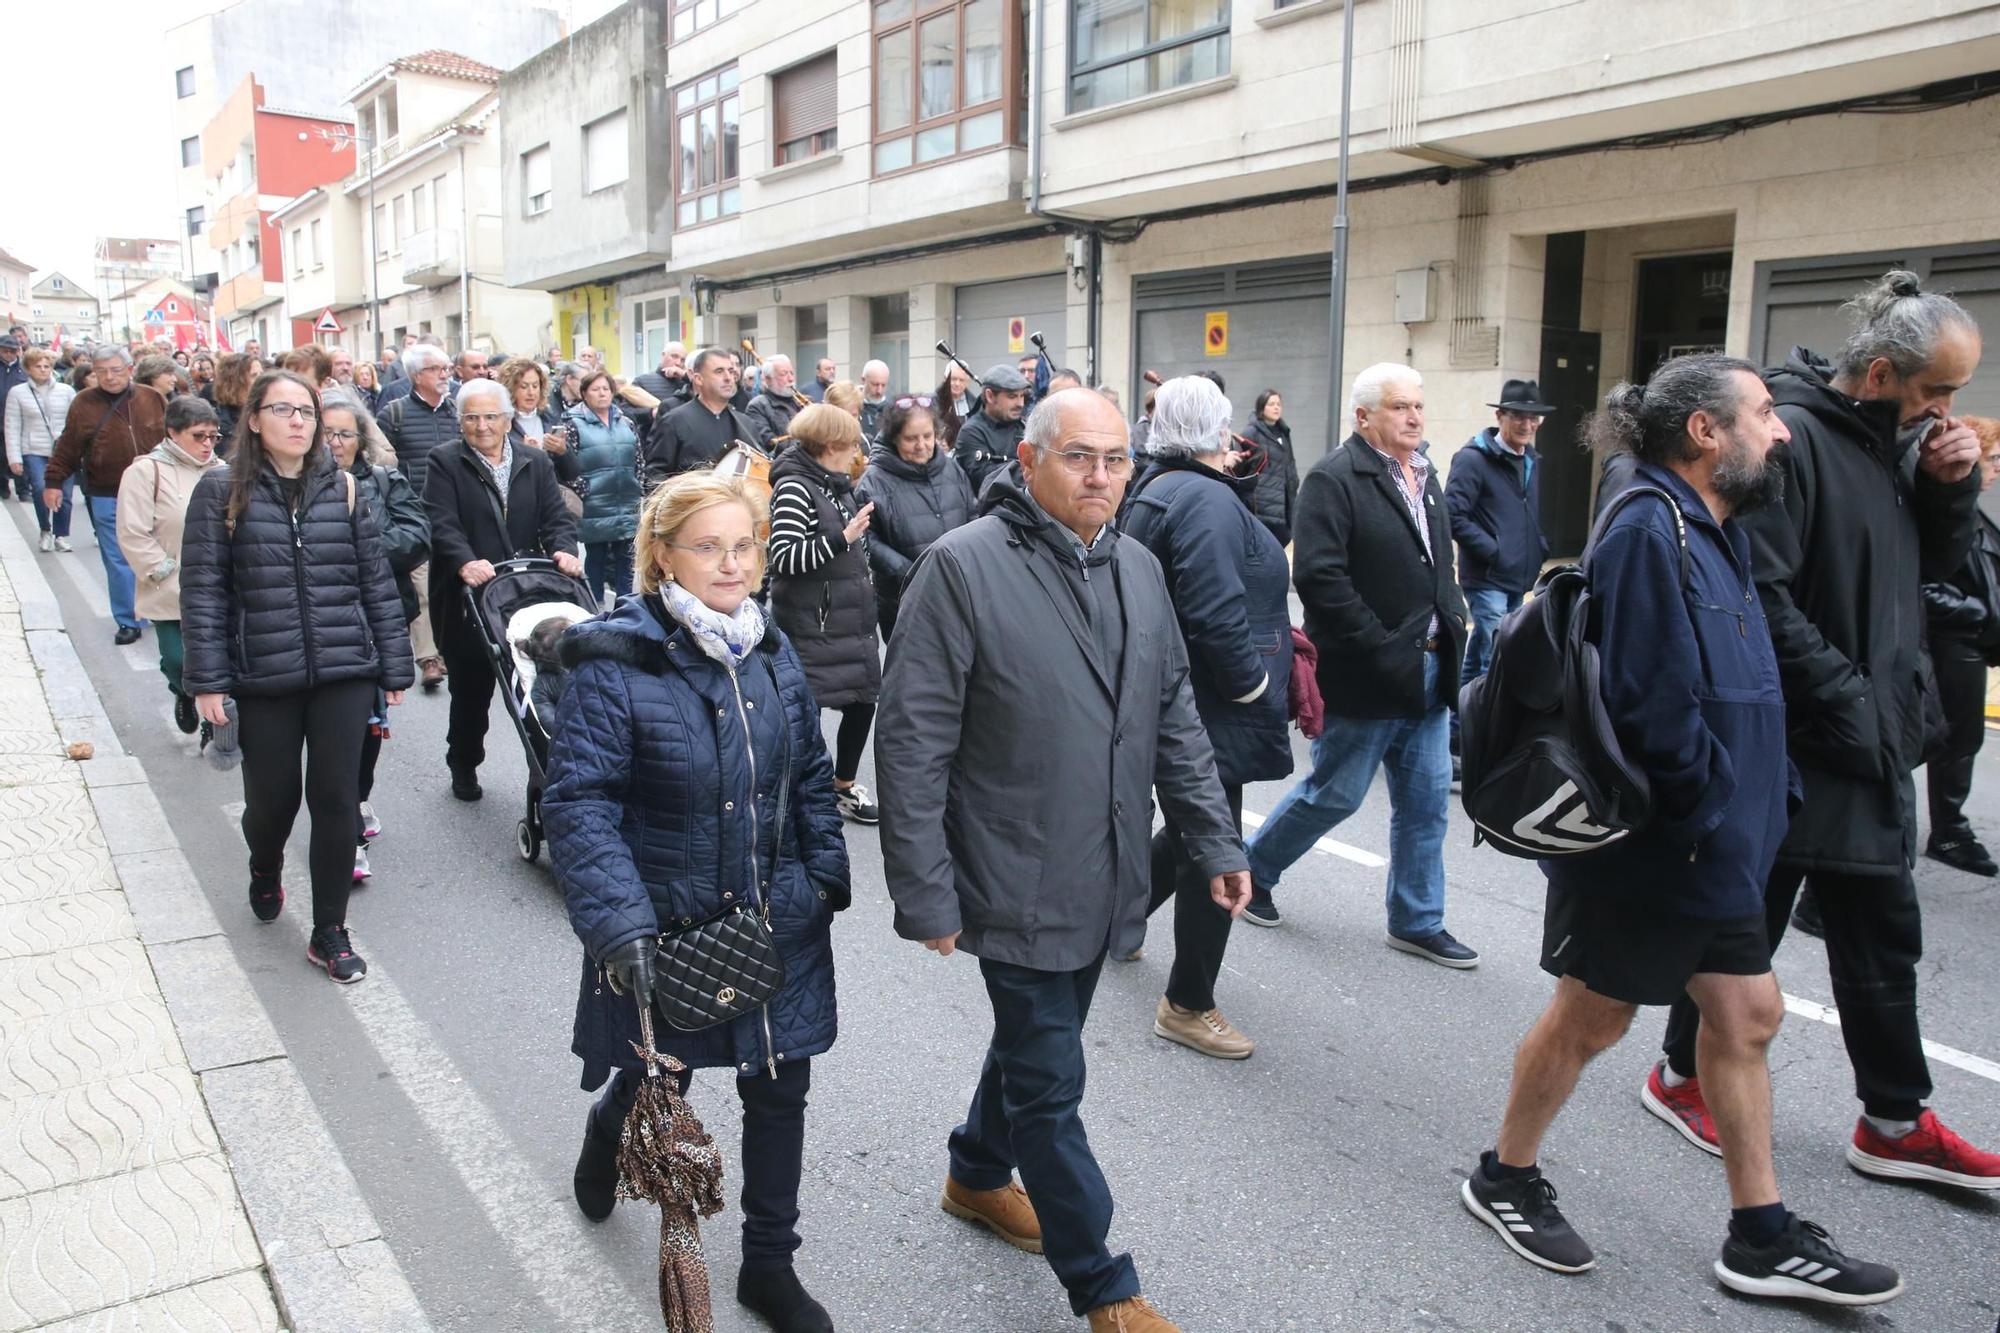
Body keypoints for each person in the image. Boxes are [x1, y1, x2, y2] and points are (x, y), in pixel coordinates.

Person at [1464, 355, 1905, 1305]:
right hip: (1663, 846)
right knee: (1595, 1017)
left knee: (1747, 1015)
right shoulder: (1645, 525)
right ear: (1706, 432)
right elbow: (1649, 700)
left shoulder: (1721, 527)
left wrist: (1768, 787)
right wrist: (1707, 803)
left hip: (1725, 842)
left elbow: (1747, 675)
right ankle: (1504, 1174)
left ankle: (1760, 1232)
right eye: (1762, 414)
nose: (1781, 430)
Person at [877, 388, 1248, 1333]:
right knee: (1052, 1085)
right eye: (1080, 457)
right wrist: (925, 890)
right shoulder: (960, 567)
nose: (1102, 476)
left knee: (1034, 1045)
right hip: (1012, 872)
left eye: (1117, 458)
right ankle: (1105, 1285)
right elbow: (912, 741)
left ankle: (972, 1172)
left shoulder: (1136, 565)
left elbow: (1172, 714)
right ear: (1030, 459)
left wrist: (1210, 837)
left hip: (1109, 866)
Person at [1651, 272, 2000, 1189]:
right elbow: (1757, 595)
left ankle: (1894, 1117)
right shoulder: (1794, 438)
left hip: (1871, 738)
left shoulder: (1897, 446)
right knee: (1744, 930)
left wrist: (1950, 485)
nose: (1949, 410)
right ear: (1882, 373)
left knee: (1884, 932)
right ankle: (1681, 1074)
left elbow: (1934, 566)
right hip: (1803, 743)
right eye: (1936, 393)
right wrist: (1849, 705)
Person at [545, 471, 850, 1333]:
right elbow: (579, 803)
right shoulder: (617, 659)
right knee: (659, 1075)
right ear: (661, 555)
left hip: (775, 916)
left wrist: (823, 875)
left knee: (779, 1084)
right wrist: (617, 922)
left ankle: (768, 1265)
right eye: (707, 546)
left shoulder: (774, 650)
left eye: (743, 544)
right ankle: (609, 1132)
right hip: (665, 924)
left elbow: (812, 776)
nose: (730, 562)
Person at [1240, 363, 1479, 969]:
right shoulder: (1333, 477)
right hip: (1368, 674)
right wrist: (1381, 644)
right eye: (1400, 407)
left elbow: (1438, 564)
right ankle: (1253, 871)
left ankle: (1418, 920)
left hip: (1430, 672)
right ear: (1364, 416)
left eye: (1418, 406)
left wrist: (1453, 617)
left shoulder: (1426, 474)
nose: (1415, 417)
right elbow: (1318, 577)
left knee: (1427, 802)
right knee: (1336, 794)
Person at [179, 370, 414, 983]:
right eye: (282, 409)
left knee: (337, 799)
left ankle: (329, 930)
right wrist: (206, 680)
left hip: (342, 669)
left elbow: (374, 580)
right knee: (272, 803)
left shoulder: (342, 488)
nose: (298, 421)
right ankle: (264, 865)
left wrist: (394, 662)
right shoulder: (219, 491)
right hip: (264, 674)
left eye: (306, 411)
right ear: (253, 419)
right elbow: (203, 592)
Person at [1117, 376, 1293, 1060]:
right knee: (1215, 847)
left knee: (1193, 830)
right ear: (1216, 433)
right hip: (1210, 705)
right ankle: (1189, 1002)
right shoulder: (1203, 499)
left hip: (1176, 694)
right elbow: (1216, 611)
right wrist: (1252, 687)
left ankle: (1121, 919)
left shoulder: (1160, 488)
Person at [422, 378, 581, 802]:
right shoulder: (444, 462)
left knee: (534, 684)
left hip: (525, 592)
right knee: (472, 692)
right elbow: (441, 522)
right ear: (460, 423)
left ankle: (545, 771)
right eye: (471, 417)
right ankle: (464, 761)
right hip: (469, 596)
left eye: (491, 416)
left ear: (508, 418)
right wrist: (463, 560)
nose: (482, 426)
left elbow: (556, 517)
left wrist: (565, 550)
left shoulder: (534, 460)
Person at [323, 387, 429, 882]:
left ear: (360, 440)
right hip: (322, 626)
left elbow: (416, 539)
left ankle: (357, 798)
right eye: (326, 433)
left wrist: (357, 550)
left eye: (344, 433)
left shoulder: (386, 481)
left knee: (369, 728)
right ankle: (344, 831)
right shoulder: (292, 487)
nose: (334, 442)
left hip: (377, 619)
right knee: (335, 735)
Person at [766, 404, 881, 824]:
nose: (856, 452)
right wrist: (842, 536)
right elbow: (784, 557)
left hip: (850, 621)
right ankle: (802, 792)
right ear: (831, 445)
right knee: (806, 711)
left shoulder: (836, 483)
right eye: (851, 443)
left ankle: (843, 787)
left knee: (863, 701)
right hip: (812, 622)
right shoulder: (795, 486)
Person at [1445, 379, 1555, 770]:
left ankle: (1455, 736)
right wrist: (1493, 550)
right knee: (1496, 659)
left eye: (1533, 418)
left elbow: (1525, 514)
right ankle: (1484, 746)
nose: (1527, 425)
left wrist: (1537, 546)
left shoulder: (1529, 460)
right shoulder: (1473, 459)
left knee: (1478, 661)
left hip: (1516, 576)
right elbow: (1452, 514)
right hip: (1487, 577)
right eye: (1519, 417)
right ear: (1500, 417)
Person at [116, 395, 228, 734]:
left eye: (214, 435)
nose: (208, 443)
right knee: (179, 658)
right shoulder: (145, 471)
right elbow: (132, 530)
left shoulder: (222, 471)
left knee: (217, 658)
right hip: (171, 586)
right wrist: (161, 569)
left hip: (218, 583)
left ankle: (213, 716)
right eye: (199, 435)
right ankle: (183, 691)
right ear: (173, 433)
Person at [43, 346, 168, 645]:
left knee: (158, 553)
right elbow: (69, 444)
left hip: (155, 490)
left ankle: (160, 610)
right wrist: (54, 481)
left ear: (129, 369)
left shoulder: (152, 398)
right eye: (101, 372)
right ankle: (129, 619)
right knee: (117, 558)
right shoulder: (83, 403)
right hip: (106, 492)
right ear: (93, 374)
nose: (109, 377)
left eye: (115, 370)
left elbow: (174, 439)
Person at [1922, 415, 2000, 876]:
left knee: (1961, 740)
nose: (1994, 469)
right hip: (1952, 645)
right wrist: (1977, 613)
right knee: (1944, 741)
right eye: (1991, 459)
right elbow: (1923, 581)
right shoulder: (1949, 509)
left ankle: (1951, 827)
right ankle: (1949, 831)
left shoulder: (1971, 510)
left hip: (1968, 644)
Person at [855, 396, 975, 640]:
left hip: (958, 591)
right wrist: (908, 571)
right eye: (911, 438)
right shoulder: (874, 481)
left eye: (928, 436)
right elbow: (868, 539)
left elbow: (972, 515)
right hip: (904, 597)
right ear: (894, 438)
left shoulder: (952, 470)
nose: (922, 445)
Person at [381, 343, 460, 692]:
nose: (445, 375)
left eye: (447, 368)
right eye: (435, 369)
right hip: (414, 512)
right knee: (423, 587)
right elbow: (380, 463)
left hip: (456, 511)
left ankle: (456, 648)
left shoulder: (459, 412)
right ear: (416, 376)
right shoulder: (394, 414)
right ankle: (429, 657)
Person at [564, 369, 643, 605]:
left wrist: (638, 484)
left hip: (626, 499)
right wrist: (583, 489)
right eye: (595, 389)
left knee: (626, 558)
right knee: (595, 558)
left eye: (606, 389)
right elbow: (568, 462)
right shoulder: (572, 423)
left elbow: (638, 458)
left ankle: (626, 606)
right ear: (584, 393)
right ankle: (594, 606)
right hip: (594, 501)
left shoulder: (625, 421)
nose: (602, 394)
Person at [643, 347, 759, 486]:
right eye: (719, 371)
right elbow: (655, 476)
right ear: (698, 379)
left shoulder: (746, 424)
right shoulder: (674, 421)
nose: (728, 378)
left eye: (731, 371)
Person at [6, 346, 78, 551]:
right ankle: (45, 529)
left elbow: (76, 422)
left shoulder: (66, 391)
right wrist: (14, 457)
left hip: (63, 451)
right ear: (28, 368)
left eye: (47, 366)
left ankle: (61, 534)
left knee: (65, 495)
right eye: (38, 366)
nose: (44, 370)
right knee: (39, 488)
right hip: (33, 449)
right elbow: (12, 425)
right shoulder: (17, 393)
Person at [953, 363, 1030, 493]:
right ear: (990, 396)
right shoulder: (972, 432)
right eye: (1012, 396)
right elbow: (986, 479)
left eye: (1022, 396)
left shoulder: (1023, 426)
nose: (1020, 404)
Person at [1244, 389, 1300, 546]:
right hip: (1261, 507)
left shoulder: (1284, 433)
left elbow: (1290, 464)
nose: (1276, 408)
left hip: (1283, 506)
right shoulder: (1251, 433)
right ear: (1262, 407)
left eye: (1279, 404)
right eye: (1271, 404)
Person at [500, 358, 563, 452]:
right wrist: (524, 453)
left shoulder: (549, 416)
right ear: (510, 389)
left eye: (535, 386)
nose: (531, 393)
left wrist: (563, 451)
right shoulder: (501, 423)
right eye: (524, 386)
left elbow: (573, 466)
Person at [746, 353, 805, 446]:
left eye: (791, 373)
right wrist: (809, 447)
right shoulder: (757, 406)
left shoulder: (801, 402)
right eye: (784, 374)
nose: (790, 379)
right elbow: (770, 443)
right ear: (768, 379)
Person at [211, 352, 260, 449]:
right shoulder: (220, 424)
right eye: (254, 376)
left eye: (261, 374)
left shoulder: (264, 411)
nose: (261, 380)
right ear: (236, 382)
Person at [0, 334, 27, 499]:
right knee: (1, 458)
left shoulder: (24, 370)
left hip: (19, 421)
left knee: (20, 456)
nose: (9, 354)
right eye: (5, 350)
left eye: (12, 351)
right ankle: (3, 488)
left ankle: (23, 490)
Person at [631, 341, 692, 408]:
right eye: (674, 356)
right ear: (663, 355)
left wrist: (684, 375)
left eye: (682, 360)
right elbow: (627, 411)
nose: (678, 363)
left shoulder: (687, 383)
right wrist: (650, 413)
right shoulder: (642, 381)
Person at [936, 362, 977, 451]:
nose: (957, 383)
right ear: (945, 379)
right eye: (953, 379)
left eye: (961, 380)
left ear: (967, 382)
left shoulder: (975, 405)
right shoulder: (933, 402)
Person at [858, 359, 890, 441]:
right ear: (863, 380)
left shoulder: (892, 411)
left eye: (883, 385)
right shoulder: (852, 407)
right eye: (875, 384)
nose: (879, 391)